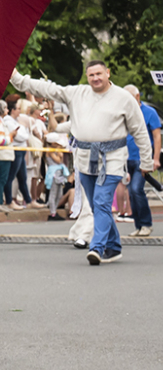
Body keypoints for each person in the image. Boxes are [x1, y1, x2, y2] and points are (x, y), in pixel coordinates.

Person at [10, 62, 153, 264]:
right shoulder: (78, 93)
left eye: (99, 74)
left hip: (112, 159)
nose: (95, 78)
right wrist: (17, 78)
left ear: (108, 73)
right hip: (85, 160)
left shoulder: (123, 98)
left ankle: (97, 247)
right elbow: (48, 88)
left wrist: (146, 161)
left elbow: (140, 131)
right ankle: (114, 247)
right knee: (97, 206)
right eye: (91, 75)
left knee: (102, 202)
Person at [123, 85, 159, 237]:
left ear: (137, 97)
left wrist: (155, 158)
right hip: (127, 157)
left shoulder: (149, 112)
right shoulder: (125, 113)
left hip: (141, 158)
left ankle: (146, 223)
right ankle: (139, 225)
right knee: (131, 192)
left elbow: (157, 136)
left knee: (137, 189)